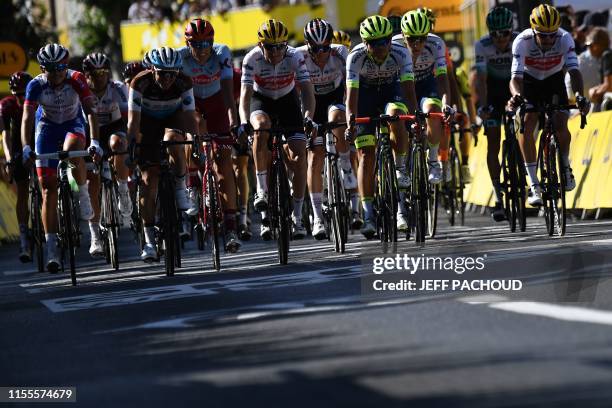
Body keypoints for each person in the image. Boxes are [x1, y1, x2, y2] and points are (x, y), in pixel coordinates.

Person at [21, 43, 100, 272]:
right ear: (42, 68)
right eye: (50, 69)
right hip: (46, 128)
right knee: (47, 188)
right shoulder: (35, 85)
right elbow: (27, 118)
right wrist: (26, 147)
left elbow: (91, 111)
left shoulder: (76, 78)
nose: (56, 74)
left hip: (72, 124)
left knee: (74, 146)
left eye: (60, 68)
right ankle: (52, 248)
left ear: (67, 66)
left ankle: (82, 193)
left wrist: (94, 142)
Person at [239, 19, 316, 240]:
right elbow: (244, 97)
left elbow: (308, 93)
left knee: (300, 155)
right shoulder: (251, 59)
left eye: (280, 46)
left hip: (287, 101)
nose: (275, 52)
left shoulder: (294, 56)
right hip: (261, 100)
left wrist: (308, 117)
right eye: (270, 47)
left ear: (286, 45)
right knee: (261, 128)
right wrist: (244, 122)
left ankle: (298, 216)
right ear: (261, 45)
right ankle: (262, 189)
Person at [508, 4, 590, 206]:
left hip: (554, 80)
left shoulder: (564, 38)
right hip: (530, 81)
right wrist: (518, 96)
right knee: (528, 122)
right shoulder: (522, 41)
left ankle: (564, 165)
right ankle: (534, 184)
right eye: (542, 35)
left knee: (561, 123)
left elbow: (574, 71)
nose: (548, 40)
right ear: (534, 31)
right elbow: (515, 78)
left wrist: (580, 96)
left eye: (551, 35)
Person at [345, 15, 418, 237]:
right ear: (365, 43)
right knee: (366, 154)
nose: (381, 47)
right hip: (365, 97)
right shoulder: (355, 57)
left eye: (385, 40)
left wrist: (415, 119)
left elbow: (408, 90)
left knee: (397, 114)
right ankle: (368, 214)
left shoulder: (400, 52)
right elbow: (352, 98)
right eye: (375, 43)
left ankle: (399, 169)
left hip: (391, 91)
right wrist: (351, 122)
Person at [127, 47, 198, 262]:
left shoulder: (184, 82)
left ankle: (179, 187)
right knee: (149, 181)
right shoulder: (140, 82)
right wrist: (132, 150)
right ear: (152, 70)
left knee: (175, 140)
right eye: (162, 73)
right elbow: (133, 122)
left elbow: (189, 118)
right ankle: (149, 241)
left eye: (172, 73)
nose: (167, 79)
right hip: (147, 122)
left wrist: (196, 146)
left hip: (172, 118)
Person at [179, 18, 242, 252]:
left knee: (224, 162)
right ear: (187, 44)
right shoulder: (179, 58)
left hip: (217, 104)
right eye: (196, 44)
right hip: (192, 104)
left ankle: (231, 225)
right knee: (193, 126)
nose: (201, 49)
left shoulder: (221, 52)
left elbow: (228, 94)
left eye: (206, 44)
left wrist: (234, 123)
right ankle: (193, 183)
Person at [297, 18, 354, 240]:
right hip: (311, 104)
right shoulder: (298, 56)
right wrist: (303, 118)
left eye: (325, 48)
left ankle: (346, 162)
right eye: (316, 48)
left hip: (334, 98)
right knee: (315, 157)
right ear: (307, 44)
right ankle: (318, 216)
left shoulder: (340, 52)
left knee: (338, 117)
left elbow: (352, 85)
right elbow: (293, 92)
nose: (321, 53)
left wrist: (351, 113)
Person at [396, 10, 454, 188]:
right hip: (402, 86)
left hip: (426, 85)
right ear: (404, 35)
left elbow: (443, 79)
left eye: (421, 38)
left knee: (434, 112)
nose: (417, 43)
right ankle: (400, 166)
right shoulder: (395, 44)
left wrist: (446, 104)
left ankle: (433, 162)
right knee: (399, 122)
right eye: (412, 38)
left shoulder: (436, 43)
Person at [82, 52, 132, 257]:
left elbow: (129, 119)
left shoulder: (119, 89)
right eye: (94, 73)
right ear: (86, 75)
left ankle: (122, 189)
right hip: (90, 133)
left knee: (118, 143)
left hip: (114, 128)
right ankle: (94, 235)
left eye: (103, 71)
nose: (99, 76)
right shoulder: (81, 92)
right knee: (93, 181)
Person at [471, 6, 518, 221]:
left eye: (504, 33)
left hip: (515, 90)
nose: (500, 39)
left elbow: (524, 76)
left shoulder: (519, 41)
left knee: (526, 127)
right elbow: (480, 80)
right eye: (495, 34)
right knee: (493, 143)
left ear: (512, 30)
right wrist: (483, 106)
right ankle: (499, 195)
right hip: (492, 94)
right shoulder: (482, 45)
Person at [1, 71, 33, 262]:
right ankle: (23, 239)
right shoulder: (6, 105)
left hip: (37, 142)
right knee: (22, 191)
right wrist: (8, 158)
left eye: (25, 94)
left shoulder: (38, 101)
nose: (21, 98)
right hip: (17, 146)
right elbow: (5, 134)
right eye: (17, 94)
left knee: (48, 185)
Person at [585, 28, 612, 111]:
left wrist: (594, 92)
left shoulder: (607, 55)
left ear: (598, 44)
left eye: (590, 45)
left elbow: (609, 86)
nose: (589, 49)